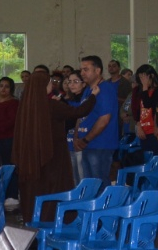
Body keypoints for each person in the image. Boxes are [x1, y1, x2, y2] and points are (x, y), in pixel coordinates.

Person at [12, 71, 98, 222]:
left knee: (33, 191)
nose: (53, 85)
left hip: (30, 158)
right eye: (50, 82)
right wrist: (93, 96)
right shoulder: (51, 105)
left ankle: (33, 222)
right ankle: (52, 223)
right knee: (51, 190)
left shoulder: (24, 106)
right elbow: (79, 111)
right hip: (52, 155)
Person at [74, 55, 119, 184]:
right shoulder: (88, 90)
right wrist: (77, 137)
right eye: (81, 69)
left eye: (86, 69)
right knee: (90, 184)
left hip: (100, 144)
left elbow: (104, 119)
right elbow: (81, 114)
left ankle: (103, 205)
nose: (82, 73)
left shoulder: (105, 89)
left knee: (98, 182)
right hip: (86, 143)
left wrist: (86, 139)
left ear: (97, 70)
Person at [134, 64, 158, 155]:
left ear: (151, 76)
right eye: (140, 78)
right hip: (144, 130)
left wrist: (145, 87)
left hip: (155, 131)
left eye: (143, 78)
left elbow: (148, 104)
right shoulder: (143, 91)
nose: (142, 81)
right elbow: (139, 111)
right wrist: (139, 126)